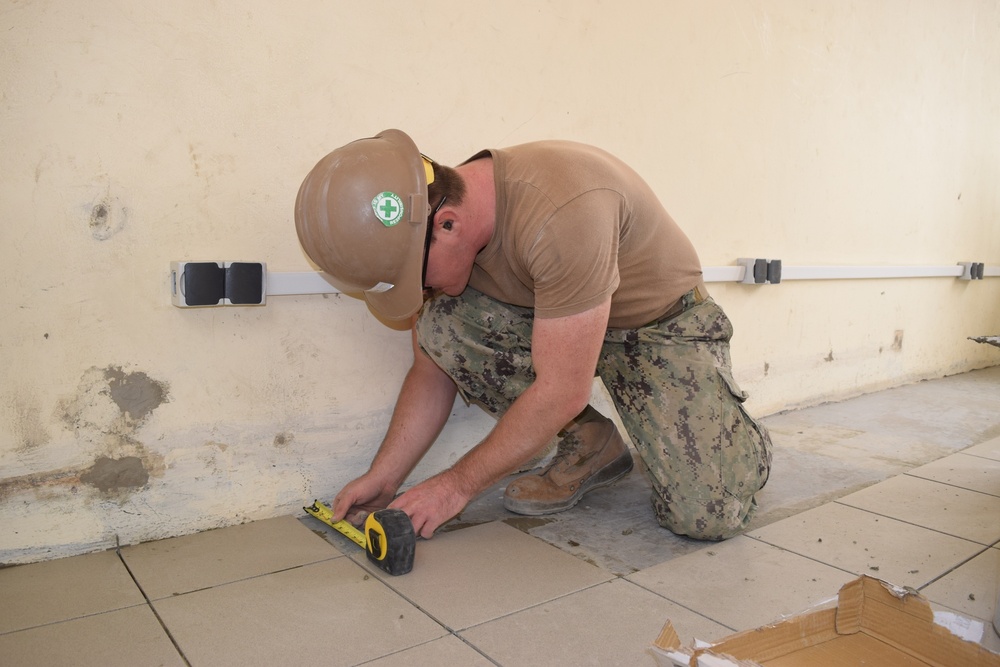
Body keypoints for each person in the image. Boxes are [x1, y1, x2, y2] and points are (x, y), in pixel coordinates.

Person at [294, 129, 772, 542]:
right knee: (442, 326)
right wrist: (384, 476)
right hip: (559, 323)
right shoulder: (437, 216)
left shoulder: (562, 213)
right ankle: (592, 446)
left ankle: (737, 443)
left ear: (447, 224)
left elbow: (562, 390)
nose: (421, 290)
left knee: (706, 515)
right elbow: (431, 366)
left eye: (416, 279)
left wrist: (454, 487)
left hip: (657, 325)